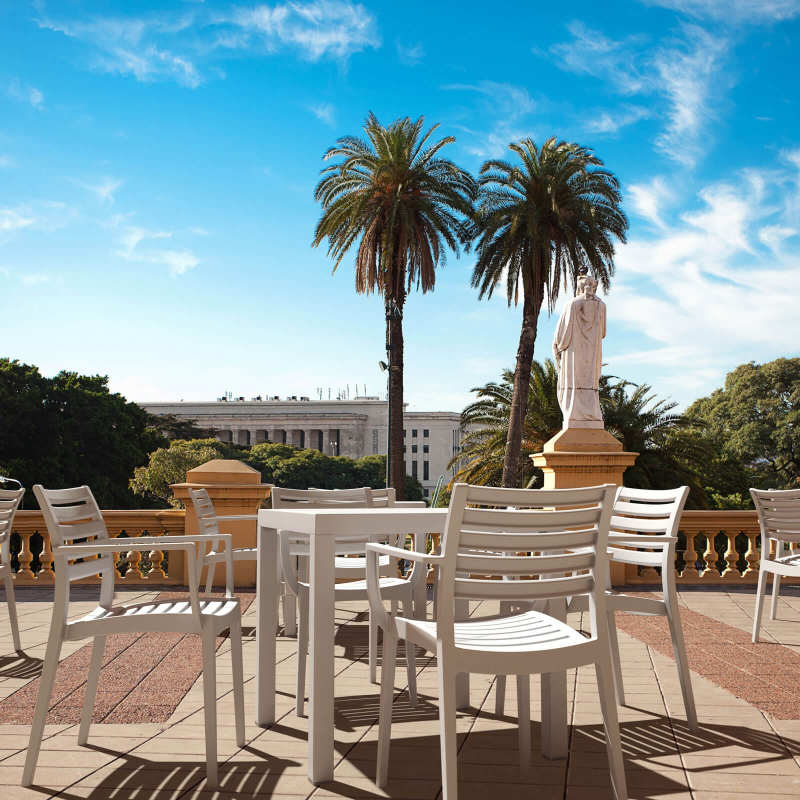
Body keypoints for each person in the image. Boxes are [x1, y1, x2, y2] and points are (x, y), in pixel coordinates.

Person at [553, 273, 606, 429]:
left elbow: (560, 337)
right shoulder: (601, 306)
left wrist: (556, 347)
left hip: (574, 354)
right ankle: (591, 412)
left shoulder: (571, 304)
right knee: (590, 382)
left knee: (573, 382)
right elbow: (603, 332)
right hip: (592, 353)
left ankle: (574, 412)